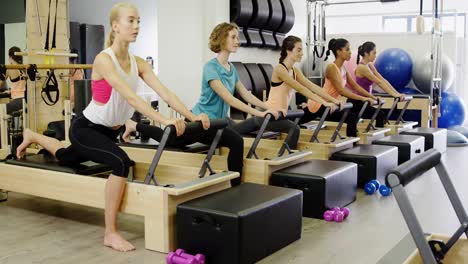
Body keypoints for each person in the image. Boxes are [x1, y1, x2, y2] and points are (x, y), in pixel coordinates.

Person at [16, 3, 244, 252]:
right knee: (121, 163)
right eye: (131, 21)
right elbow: (131, 98)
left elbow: (165, 92)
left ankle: (32, 135)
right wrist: (164, 119)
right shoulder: (104, 60)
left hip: (107, 132)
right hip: (86, 129)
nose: (137, 26)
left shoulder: (138, 63)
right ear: (115, 26)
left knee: (65, 156)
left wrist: (192, 117)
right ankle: (111, 233)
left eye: (138, 21)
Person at [191, 23, 300, 149]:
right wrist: (259, 114)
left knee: (249, 126)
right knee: (250, 126)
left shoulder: (231, 68)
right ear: (222, 39)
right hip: (203, 121)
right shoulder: (210, 68)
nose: (237, 41)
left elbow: (245, 94)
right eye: (233, 37)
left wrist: (269, 108)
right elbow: (229, 99)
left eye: (237, 37)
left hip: (221, 121)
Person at [305, 38, 383, 137]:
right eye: (347, 49)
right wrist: (363, 98)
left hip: (333, 104)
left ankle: (354, 143)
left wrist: (372, 97)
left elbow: (355, 86)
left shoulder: (343, 68)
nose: (350, 52)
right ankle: (353, 146)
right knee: (350, 118)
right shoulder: (331, 67)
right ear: (339, 52)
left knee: (352, 118)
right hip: (320, 104)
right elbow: (341, 91)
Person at [267, 35, 342, 125]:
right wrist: (323, 102)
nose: (302, 53)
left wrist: (334, 100)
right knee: (295, 129)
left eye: (302, 50)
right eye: (299, 50)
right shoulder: (280, 69)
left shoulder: (295, 71)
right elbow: (301, 89)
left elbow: (312, 86)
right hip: (273, 114)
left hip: (285, 112)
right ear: (288, 51)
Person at [0, 46, 27, 114]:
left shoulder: (9, 68)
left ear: (10, 57)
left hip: (18, 101)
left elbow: (1, 84)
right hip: (26, 99)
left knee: (1, 110)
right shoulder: (24, 67)